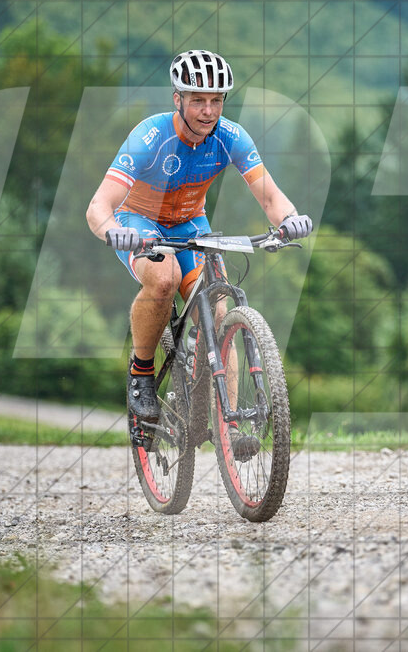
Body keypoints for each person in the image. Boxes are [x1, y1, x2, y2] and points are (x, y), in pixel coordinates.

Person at [85, 49, 312, 432]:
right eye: (198, 101)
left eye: (216, 101)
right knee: (164, 278)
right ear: (178, 99)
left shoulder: (230, 137)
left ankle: (231, 428)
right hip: (138, 222)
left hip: (191, 224)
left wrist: (290, 219)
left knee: (221, 310)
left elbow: (271, 197)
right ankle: (142, 371)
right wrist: (113, 230)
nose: (208, 111)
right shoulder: (150, 137)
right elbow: (98, 206)